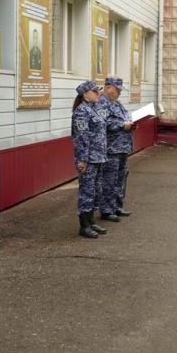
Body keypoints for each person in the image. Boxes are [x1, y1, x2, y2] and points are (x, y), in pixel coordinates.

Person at [71, 80, 107, 238]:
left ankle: (91, 221)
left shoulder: (95, 109)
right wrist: (83, 160)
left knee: (96, 191)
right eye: (95, 91)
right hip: (88, 159)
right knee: (87, 192)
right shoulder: (81, 112)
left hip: (98, 157)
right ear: (85, 94)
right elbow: (81, 137)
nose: (98, 93)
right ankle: (84, 226)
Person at [98, 77, 134, 221]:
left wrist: (130, 123)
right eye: (117, 89)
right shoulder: (102, 103)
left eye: (120, 90)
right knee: (109, 179)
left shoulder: (117, 103)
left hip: (122, 147)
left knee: (121, 177)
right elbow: (103, 123)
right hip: (111, 149)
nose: (119, 92)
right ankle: (107, 210)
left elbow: (122, 118)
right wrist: (121, 125)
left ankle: (117, 206)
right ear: (108, 88)